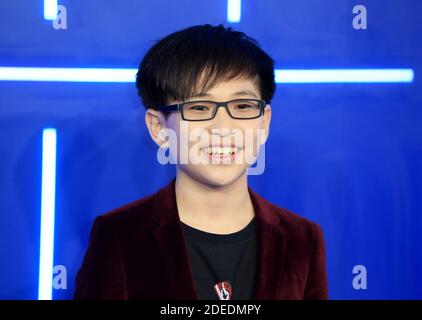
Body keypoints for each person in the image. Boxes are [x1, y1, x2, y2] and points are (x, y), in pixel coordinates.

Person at [73, 24, 328, 300]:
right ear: (158, 128)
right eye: (199, 108)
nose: (223, 127)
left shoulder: (303, 239)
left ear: (264, 122)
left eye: (242, 106)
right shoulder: (120, 237)